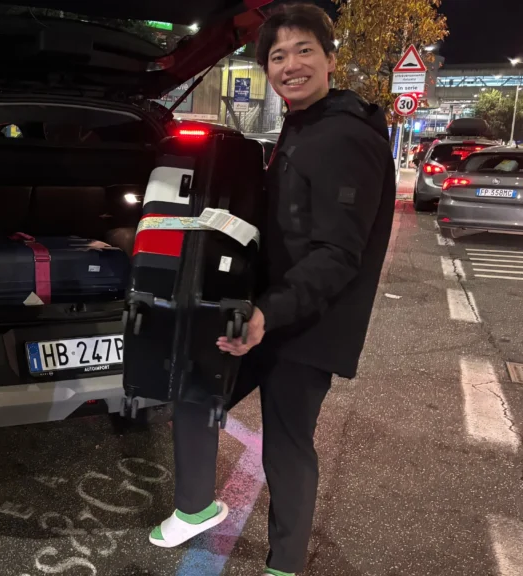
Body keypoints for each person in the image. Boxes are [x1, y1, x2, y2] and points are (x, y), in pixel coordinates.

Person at [148, 4, 395, 576]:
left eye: (304, 50)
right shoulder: (303, 124)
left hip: (309, 325)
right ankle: (195, 505)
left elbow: (338, 255)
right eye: (277, 55)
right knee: (195, 389)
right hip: (266, 311)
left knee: (286, 444)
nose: (291, 65)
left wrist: (266, 313)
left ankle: (284, 565)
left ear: (330, 59)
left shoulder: (345, 137)